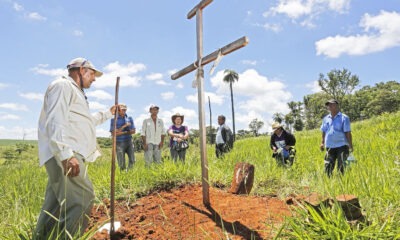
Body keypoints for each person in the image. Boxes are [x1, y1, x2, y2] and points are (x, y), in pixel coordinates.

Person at [35, 57, 116, 239]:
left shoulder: (76, 92)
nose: (94, 79)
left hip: (64, 152)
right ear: (81, 70)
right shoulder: (62, 86)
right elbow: (56, 120)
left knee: (54, 208)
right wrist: (65, 154)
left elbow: (86, 122)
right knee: (82, 199)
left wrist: (108, 113)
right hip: (66, 153)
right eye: (92, 74)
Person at [320, 99, 353, 177]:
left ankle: (341, 183)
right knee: (328, 166)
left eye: (332, 104)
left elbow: (348, 132)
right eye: (329, 105)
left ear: (337, 105)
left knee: (341, 167)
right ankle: (329, 183)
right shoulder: (325, 119)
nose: (330, 106)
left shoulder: (344, 118)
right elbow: (324, 131)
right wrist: (322, 143)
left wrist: (350, 145)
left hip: (342, 145)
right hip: (330, 146)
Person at [110, 103, 136, 171]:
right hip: (119, 143)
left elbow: (133, 131)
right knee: (121, 163)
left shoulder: (129, 118)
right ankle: (123, 174)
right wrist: (124, 127)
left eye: (125, 109)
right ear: (118, 110)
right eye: (122, 109)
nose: (124, 111)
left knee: (133, 160)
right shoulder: (113, 120)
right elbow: (114, 134)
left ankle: (129, 173)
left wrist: (119, 131)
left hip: (129, 141)